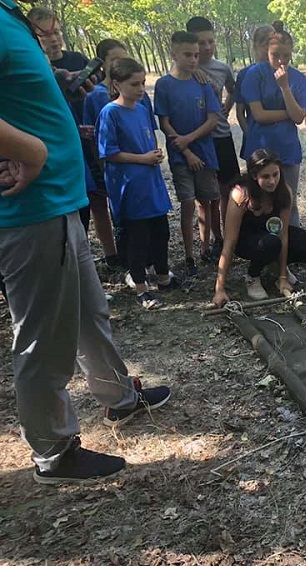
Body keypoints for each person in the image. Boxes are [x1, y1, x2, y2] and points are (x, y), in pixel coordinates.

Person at [0, 0, 170, 484]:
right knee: (43, 335)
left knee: (88, 313)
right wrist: (30, 150)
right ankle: (54, 450)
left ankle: (119, 397)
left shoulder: (12, 16)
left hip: (58, 200)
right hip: (30, 207)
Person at [28, 6, 118, 267]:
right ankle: (73, 264)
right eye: (45, 35)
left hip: (87, 145)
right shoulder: (32, 68)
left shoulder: (78, 61)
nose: (53, 39)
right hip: (53, 150)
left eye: (56, 32)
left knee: (95, 199)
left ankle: (104, 256)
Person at [97, 58, 181, 309]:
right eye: (134, 84)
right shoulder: (110, 112)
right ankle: (142, 288)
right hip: (129, 184)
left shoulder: (143, 108)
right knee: (138, 237)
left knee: (160, 230)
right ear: (116, 84)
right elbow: (109, 152)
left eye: (143, 83)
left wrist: (154, 154)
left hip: (150, 181)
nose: (140, 88)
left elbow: (148, 138)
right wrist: (142, 158)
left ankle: (164, 277)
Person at [212, 149, 306, 305]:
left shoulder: (284, 191)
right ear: (254, 176)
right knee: (271, 243)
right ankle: (253, 276)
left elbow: (284, 234)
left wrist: (283, 278)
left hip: (273, 236)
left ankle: (277, 267)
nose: (272, 181)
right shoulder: (241, 194)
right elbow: (229, 243)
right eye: (265, 177)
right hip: (246, 240)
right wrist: (220, 289)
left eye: (275, 174)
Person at [84, 38, 157, 271]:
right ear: (102, 63)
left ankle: (149, 263)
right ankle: (126, 265)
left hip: (142, 171)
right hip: (114, 169)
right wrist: (105, 167)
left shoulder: (141, 99)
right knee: (123, 219)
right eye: (115, 59)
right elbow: (96, 139)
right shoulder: (96, 97)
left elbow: (149, 130)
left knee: (146, 220)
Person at [154, 30, 222, 276]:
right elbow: (164, 122)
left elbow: (213, 119)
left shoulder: (201, 83)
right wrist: (185, 150)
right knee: (187, 203)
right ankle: (189, 255)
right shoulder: (164, 85)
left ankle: (206, 250)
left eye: (196, 55)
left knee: (208, 201)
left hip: (206, 153)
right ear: (174, 54)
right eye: (188, 54)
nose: (194, 59)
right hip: (180, 157)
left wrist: (190, 140)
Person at [240, 20, 306, 228]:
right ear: (266, 51)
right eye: (275, 55)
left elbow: (299, 117)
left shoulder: (297, 78)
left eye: (286, 56)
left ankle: (292, 246)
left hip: (287, 149)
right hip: (259, 149)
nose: (281, 61)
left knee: (288, 200)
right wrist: (288, 112)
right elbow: (258, 115)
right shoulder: (253, 75)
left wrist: (284, 88)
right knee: (257, 200)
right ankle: (260, 245)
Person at [186, 16, 238, 239]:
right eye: (201, 42)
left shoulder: (222, 67)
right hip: (200, 140)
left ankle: (229, 236)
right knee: (205, 196)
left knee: (229, 189)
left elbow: (233, 89)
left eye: (211, 41)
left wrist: (226, 107)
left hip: (222, 136)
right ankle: (211, 239)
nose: (207, 47)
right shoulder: (185, 69)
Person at [234, 24, 273, 159]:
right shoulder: (244, 75)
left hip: (281, 140)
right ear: (255, 46)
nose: (269, 49)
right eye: (265, 44)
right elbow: (240, 112)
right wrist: (251, 136)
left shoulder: (282, 73)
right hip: (255, 140)